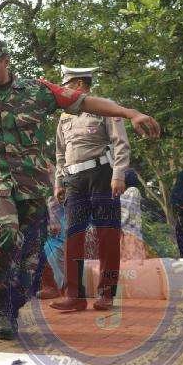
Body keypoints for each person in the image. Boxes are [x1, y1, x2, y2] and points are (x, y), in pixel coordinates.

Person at [0, 40, 160, 339]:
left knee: (31, 256)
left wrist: (130, 112)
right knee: (5, 233)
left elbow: (84, 102)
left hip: (33, 186)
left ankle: (14, 304)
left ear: (5, 61)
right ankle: (1, 303)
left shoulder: (37, 91)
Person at [49, 66, 131, 312]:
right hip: (74, 180)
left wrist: (118, 175)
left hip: (102, 175)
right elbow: (60, 152)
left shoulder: (105, 106)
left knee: (107, 235)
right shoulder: (64, 116)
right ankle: (74, 295)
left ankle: (106, 293)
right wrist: (58, 181)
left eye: (66, 86)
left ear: (79, 85)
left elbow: (120, 143)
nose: (63, 90)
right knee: (73, 236)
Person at [120, 169, 145, 261]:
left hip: (131, 232)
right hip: (126, 231)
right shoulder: (128, 191)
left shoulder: (133, 190)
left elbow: (125, 208)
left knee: (133, 261)